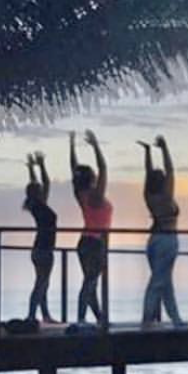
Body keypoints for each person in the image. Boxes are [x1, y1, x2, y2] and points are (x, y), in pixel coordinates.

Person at [140, 135, 184, 327]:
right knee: (159, 282)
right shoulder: (166, 196)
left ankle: (175, 319)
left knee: (165, 282)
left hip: (154, 240)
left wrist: (148, 153)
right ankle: (147, 319)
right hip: (167, 240)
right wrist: (164, 148)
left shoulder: (149, 196)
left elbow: (148, 172)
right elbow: (171, 169)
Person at [70, 130, 111, 324]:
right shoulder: (95, 196)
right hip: (94, 243)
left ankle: (99, 318)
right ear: (92, 178)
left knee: (90, 283)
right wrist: (95, 145)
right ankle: (80, 319)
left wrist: (72, 146)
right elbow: (104, 168)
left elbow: (74, 170)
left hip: (85, 242)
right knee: (90, 283)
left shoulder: (82, 195)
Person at [23, 151, 56, 323]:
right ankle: (31, 315)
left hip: (41, 248)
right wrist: (41, 165)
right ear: (38, 193)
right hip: (44, 249)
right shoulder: (39, 206)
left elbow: (37, 185)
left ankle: (44, 314)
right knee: (41, 283)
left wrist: (32, 169)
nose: (44, 190)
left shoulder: (36, 205)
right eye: (41, 190)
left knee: (43, 282)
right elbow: (46, 182)